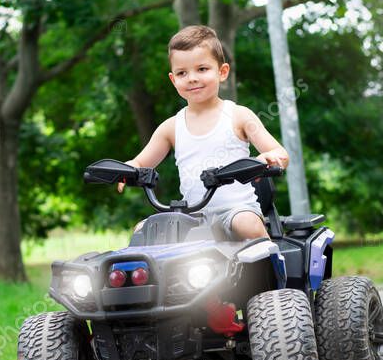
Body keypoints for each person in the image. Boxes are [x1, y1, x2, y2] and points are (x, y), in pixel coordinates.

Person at [119, 25, 289, 240]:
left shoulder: (238, 115)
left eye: (202, 69)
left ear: (222, 72)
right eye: (182, 73)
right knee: (145, 230)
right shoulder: (171, 126)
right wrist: (127, 170)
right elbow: (141, 163)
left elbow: (281, 154)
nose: (192, 78)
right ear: (173, 80)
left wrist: (269, 158)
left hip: (235, 210)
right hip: (193, 215)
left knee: (247, 224)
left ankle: (272, 269)